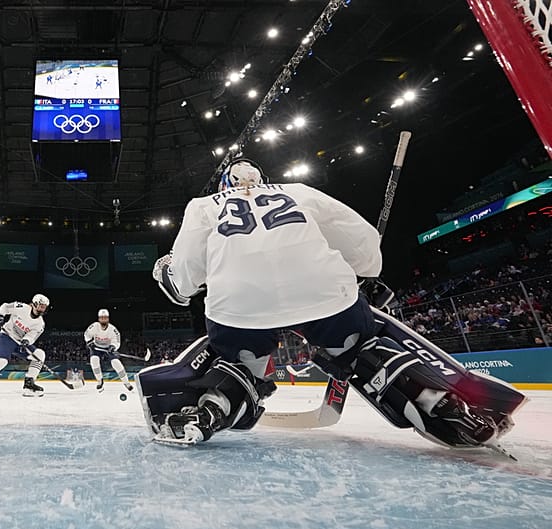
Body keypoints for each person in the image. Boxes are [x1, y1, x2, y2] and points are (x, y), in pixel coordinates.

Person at [140, 158, 526, 447]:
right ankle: (442, 405)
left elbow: (185, 280)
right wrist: (362, 275)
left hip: (240, 305)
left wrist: (166, 274)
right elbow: (364, 244)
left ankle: (209, 410)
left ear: (224, 182)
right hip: (324, 292)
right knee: (360, 346)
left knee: (241, 359)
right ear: (264, 180)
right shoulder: (298, 191)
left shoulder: (203, 205)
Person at [84, 309, 132, 392]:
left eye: (105, 318)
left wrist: (113, 347)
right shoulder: (94, 326)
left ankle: (126, 383)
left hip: (108, 348)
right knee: (94, 360)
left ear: (108, 319)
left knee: (116, 363)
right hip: (96, 347)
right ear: (99, 319)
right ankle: (100, 381)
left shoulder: (113, 329)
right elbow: (87, 335)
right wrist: (89, 342)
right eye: (101, 318)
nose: (103, 319)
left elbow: (117, 341)